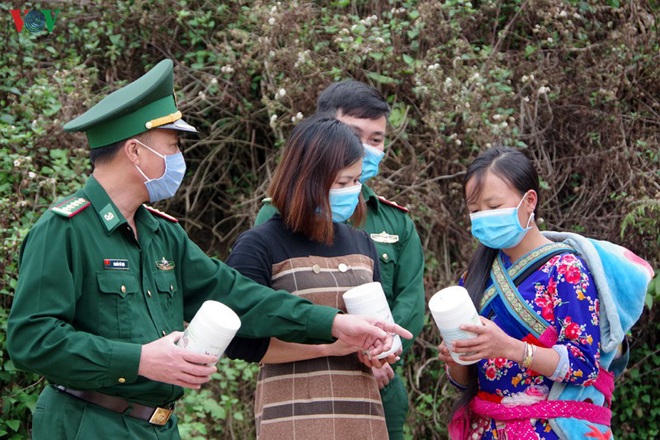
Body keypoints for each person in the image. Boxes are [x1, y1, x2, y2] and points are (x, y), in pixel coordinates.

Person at [6, 59, 411, 440]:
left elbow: (240, 296)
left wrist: (334, 324)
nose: (179, 159)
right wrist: (139, 360)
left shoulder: (162, 235)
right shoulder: (66, 230)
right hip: (87, 423)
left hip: (158, 424)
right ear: (134, 151)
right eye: (171, 146)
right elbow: (31, 339)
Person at [255, 80, 425, 439]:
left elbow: (409, 300)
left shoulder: (395, 221)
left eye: (376, 139)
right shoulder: (277, 219)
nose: (364, 147)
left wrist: (382, 353)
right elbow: (261, 306)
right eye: (354, 134)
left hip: (380, 380)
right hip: (304, 384)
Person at [224, 114, 390, 438]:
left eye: (356, 181)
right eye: (342, 183)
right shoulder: (260, 244)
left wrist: (378, 352)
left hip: (362, 416)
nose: (353, 191)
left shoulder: (361, 243)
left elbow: (376, 329)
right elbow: (237, 342)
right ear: (307, 179)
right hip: (293, 417)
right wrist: (329, 346)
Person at [437, 146, 614, 439]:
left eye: (493, 207)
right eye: (475, 210)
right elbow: (462, 382)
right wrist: (457, 358)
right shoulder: (474, 277)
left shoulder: (566, 269)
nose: (483, 217)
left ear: (529, 200)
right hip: (486, 428)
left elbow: (584, 364)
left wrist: (508, 348)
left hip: (549, 429)